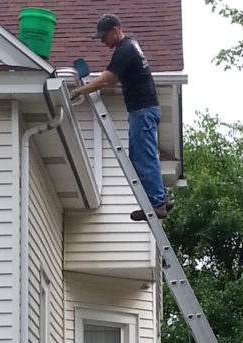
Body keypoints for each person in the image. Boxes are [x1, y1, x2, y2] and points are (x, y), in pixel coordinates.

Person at [69, 13, 171, 222]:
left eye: (104, 37)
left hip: (142, 110)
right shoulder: (131, 45)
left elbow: (108, 79)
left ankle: (157, 203)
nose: (103, 42)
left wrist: (81, 90)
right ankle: (159, 197)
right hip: (145, 109)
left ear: (116, 30)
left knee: (143, 156)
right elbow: (114, 79)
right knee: (139, 156)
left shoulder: (124, 50)